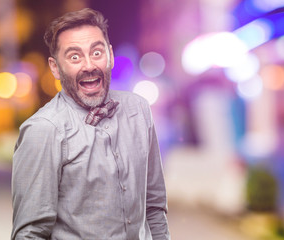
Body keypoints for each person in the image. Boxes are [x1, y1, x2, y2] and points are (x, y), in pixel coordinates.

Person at [11, 8, 170, 240]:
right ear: (55, 67)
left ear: (111, 55)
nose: (88, 65)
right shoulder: (43, 130)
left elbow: (154, 207)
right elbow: (30, 233)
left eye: (96, 52)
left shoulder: (139, 110)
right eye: (74, 56)